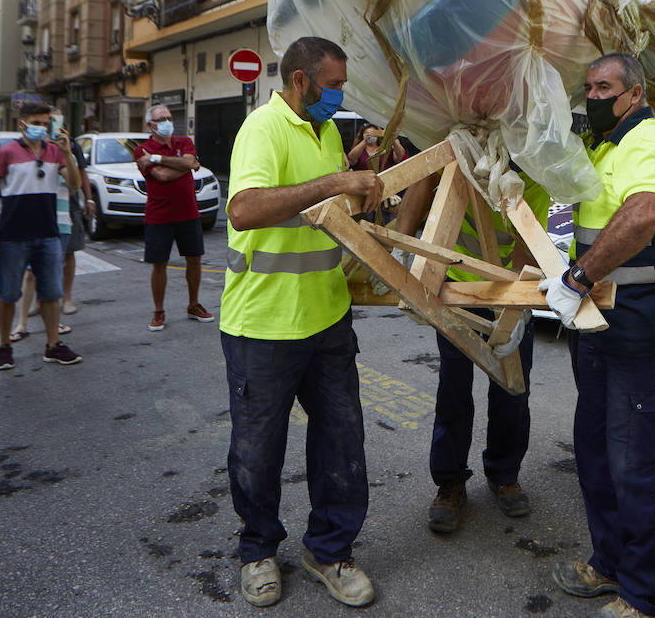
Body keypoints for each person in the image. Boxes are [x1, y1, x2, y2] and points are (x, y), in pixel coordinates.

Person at [221, 36, 384, 609]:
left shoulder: (327, 133)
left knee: (342, 440)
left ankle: (329, 550)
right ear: (299, 82)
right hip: (262, 326)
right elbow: (244, 208)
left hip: (327, 318)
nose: (339, 95)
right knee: (258, 449)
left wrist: (360, 192)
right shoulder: (261, 129)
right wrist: (336, 182)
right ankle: (258, 550)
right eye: (333, 84)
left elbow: (326, 214)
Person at [542, 52, 655, 618]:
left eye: (603, 87)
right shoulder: (604, 147)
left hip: (647, 328)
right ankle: (608, 562)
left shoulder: (647, 143)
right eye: (587, 86)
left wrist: (577, 277)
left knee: (641, 465)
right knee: (596, 453)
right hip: (602, 328)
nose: (592, 96)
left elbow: (641, 215)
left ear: (633, 94)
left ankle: (645, 593)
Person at [409, 174, 546, 535]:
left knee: (512, 389)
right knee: (454, 389)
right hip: (457, 290)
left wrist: (516, 312)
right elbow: (423, 186)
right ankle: (450, 481)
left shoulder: (530, 180)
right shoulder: (461, 170)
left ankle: (504, 475)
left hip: (508, 291)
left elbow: (526, 251)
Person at [0, 101, 83, 370]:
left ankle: (53, 345)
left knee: (51, 293)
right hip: (13, 235)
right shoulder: (7, 152)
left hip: (48, 233)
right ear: (21, 124)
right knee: (8, 294)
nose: (42, 128)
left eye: (46, 123)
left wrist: (67, 154)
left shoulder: (55, 153)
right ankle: (4, 347)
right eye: (36, 123)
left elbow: (74, 184)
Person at [133, 105, 215, 331]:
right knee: (159, 265)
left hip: (188, 212)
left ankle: (193, 305)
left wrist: (158, 158)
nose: (168, 121)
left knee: (195, 260)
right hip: (159, 216)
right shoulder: (141, 150)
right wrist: (188, 165)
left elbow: (184, 163)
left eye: (169, 117)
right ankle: (159, 311)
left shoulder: (184, 142)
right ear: (151, 125)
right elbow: (163, 176)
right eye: (162, 119)